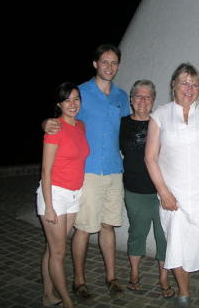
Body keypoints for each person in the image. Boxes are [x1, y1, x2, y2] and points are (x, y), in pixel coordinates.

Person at [43, 44, 130, 299]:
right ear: (95, 64)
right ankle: (79, 281)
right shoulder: (80, 92)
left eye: (114, 63)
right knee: (83, 228)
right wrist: (45, 122)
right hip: (89, 170)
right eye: (104, 62)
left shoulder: (121, 97)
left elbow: (128, 125)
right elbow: (60, 116)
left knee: (108, 226)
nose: (109, 67)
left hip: (115, 169)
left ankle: (111, 277)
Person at [145, 63, 199, 308]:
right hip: (175, 196)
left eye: (195, 84)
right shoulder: (160, 114)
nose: (189, 88)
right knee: (178, 244)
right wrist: (163, 191)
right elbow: (150, 157)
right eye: (184, 82)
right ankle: (183, 293)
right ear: (173, 85)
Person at [119, 79, 174, 298]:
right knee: (137, 234)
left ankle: (164, 277)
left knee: (164, 236)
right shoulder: (121, 124)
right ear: (132, 100)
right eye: (138, 96)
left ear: (153, 101)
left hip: (162, 192)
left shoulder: (161, 123)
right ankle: (134, 275)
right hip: (134, 190)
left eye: (148, 96)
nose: (143, 100)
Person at [37, 82, 90, 308]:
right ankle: (67, 301)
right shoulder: (54, 128)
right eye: (67, 99)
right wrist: (49, 206)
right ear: (59, 104)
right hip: (55, 195)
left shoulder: (81, 126)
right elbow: (46, 170)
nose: (72, 104)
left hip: (73, 195)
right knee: (59, 252)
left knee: (53, 248)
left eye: (76, 98)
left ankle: (48, 295)